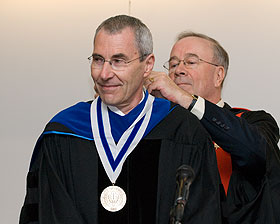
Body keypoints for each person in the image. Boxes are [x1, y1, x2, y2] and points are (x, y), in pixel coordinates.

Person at [19, 16, 223, 224]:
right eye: (98, 60)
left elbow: (204, 214)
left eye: (118, 61)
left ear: (147, 65)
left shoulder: (183, 131)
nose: (105, 73)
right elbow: (45, 213)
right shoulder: (62, 132)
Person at [145, 31, 280, 223]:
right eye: (173, 64)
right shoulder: (161, 128)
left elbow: (256, 152)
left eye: (190, 62)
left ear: (219, 75)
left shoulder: (254, 121)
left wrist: (186, 99)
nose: (178, 70)